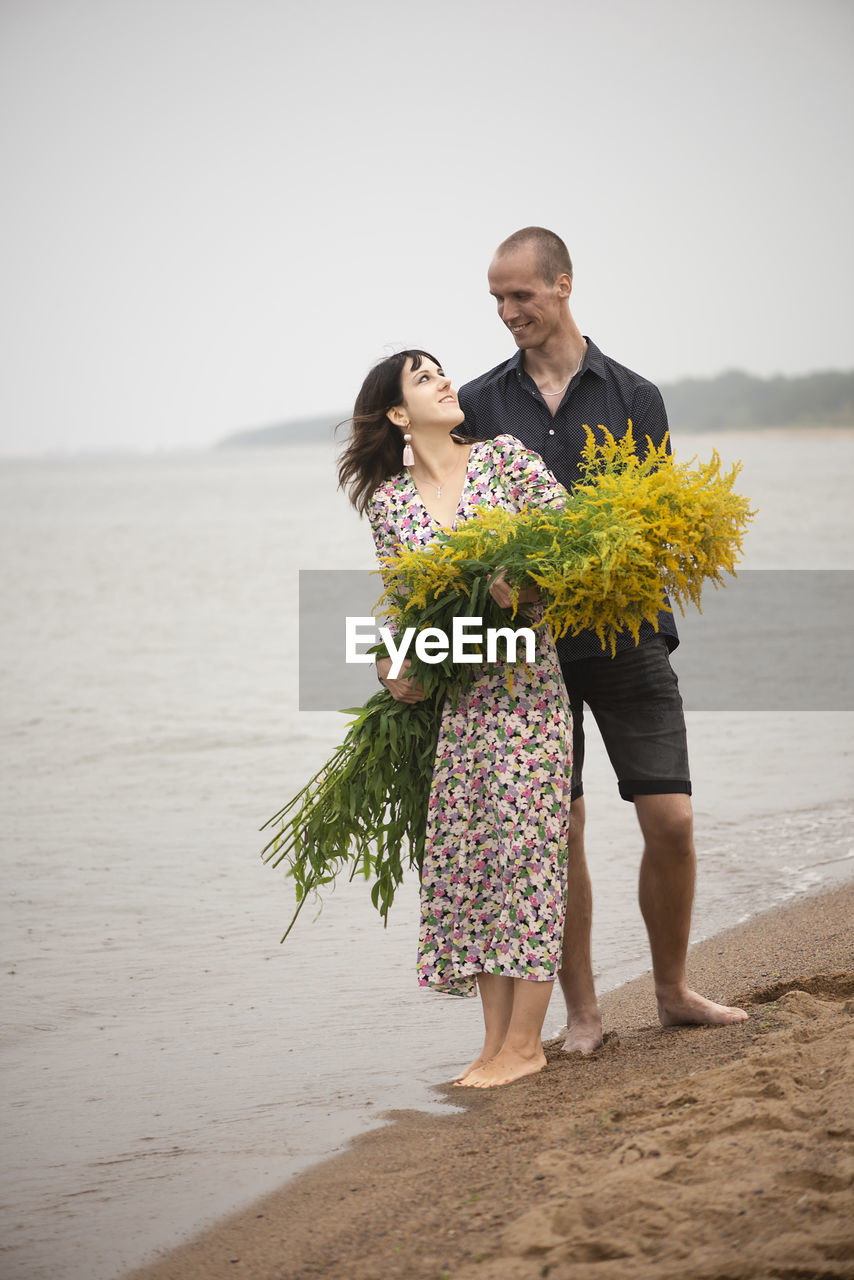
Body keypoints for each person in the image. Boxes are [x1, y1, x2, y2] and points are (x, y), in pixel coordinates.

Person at [457, 227, 748, 1054]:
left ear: (562, 284)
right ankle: (583, 1015)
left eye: (520, 295)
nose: (508, 312)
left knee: (673, 820)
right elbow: (464, 530)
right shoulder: (479, 405)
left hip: (627, 635)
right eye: (496, 300)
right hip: (528, 653)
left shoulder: (634, 396)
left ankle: (672, 990)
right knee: (563, 832)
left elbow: (651, 528)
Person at [338, 349, 574, 1088]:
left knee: (528, 859)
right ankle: (493, 1046)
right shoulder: (389, 503)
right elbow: (406, 611)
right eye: (425, 377)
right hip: (461, 704)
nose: (447, 381)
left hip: (529, 690)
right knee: (474, 867)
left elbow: (574, 551)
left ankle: (528, 1047)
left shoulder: (506, 462)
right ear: (399, 415)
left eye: (442, 370)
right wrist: (392, 664)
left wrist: (524, 585)